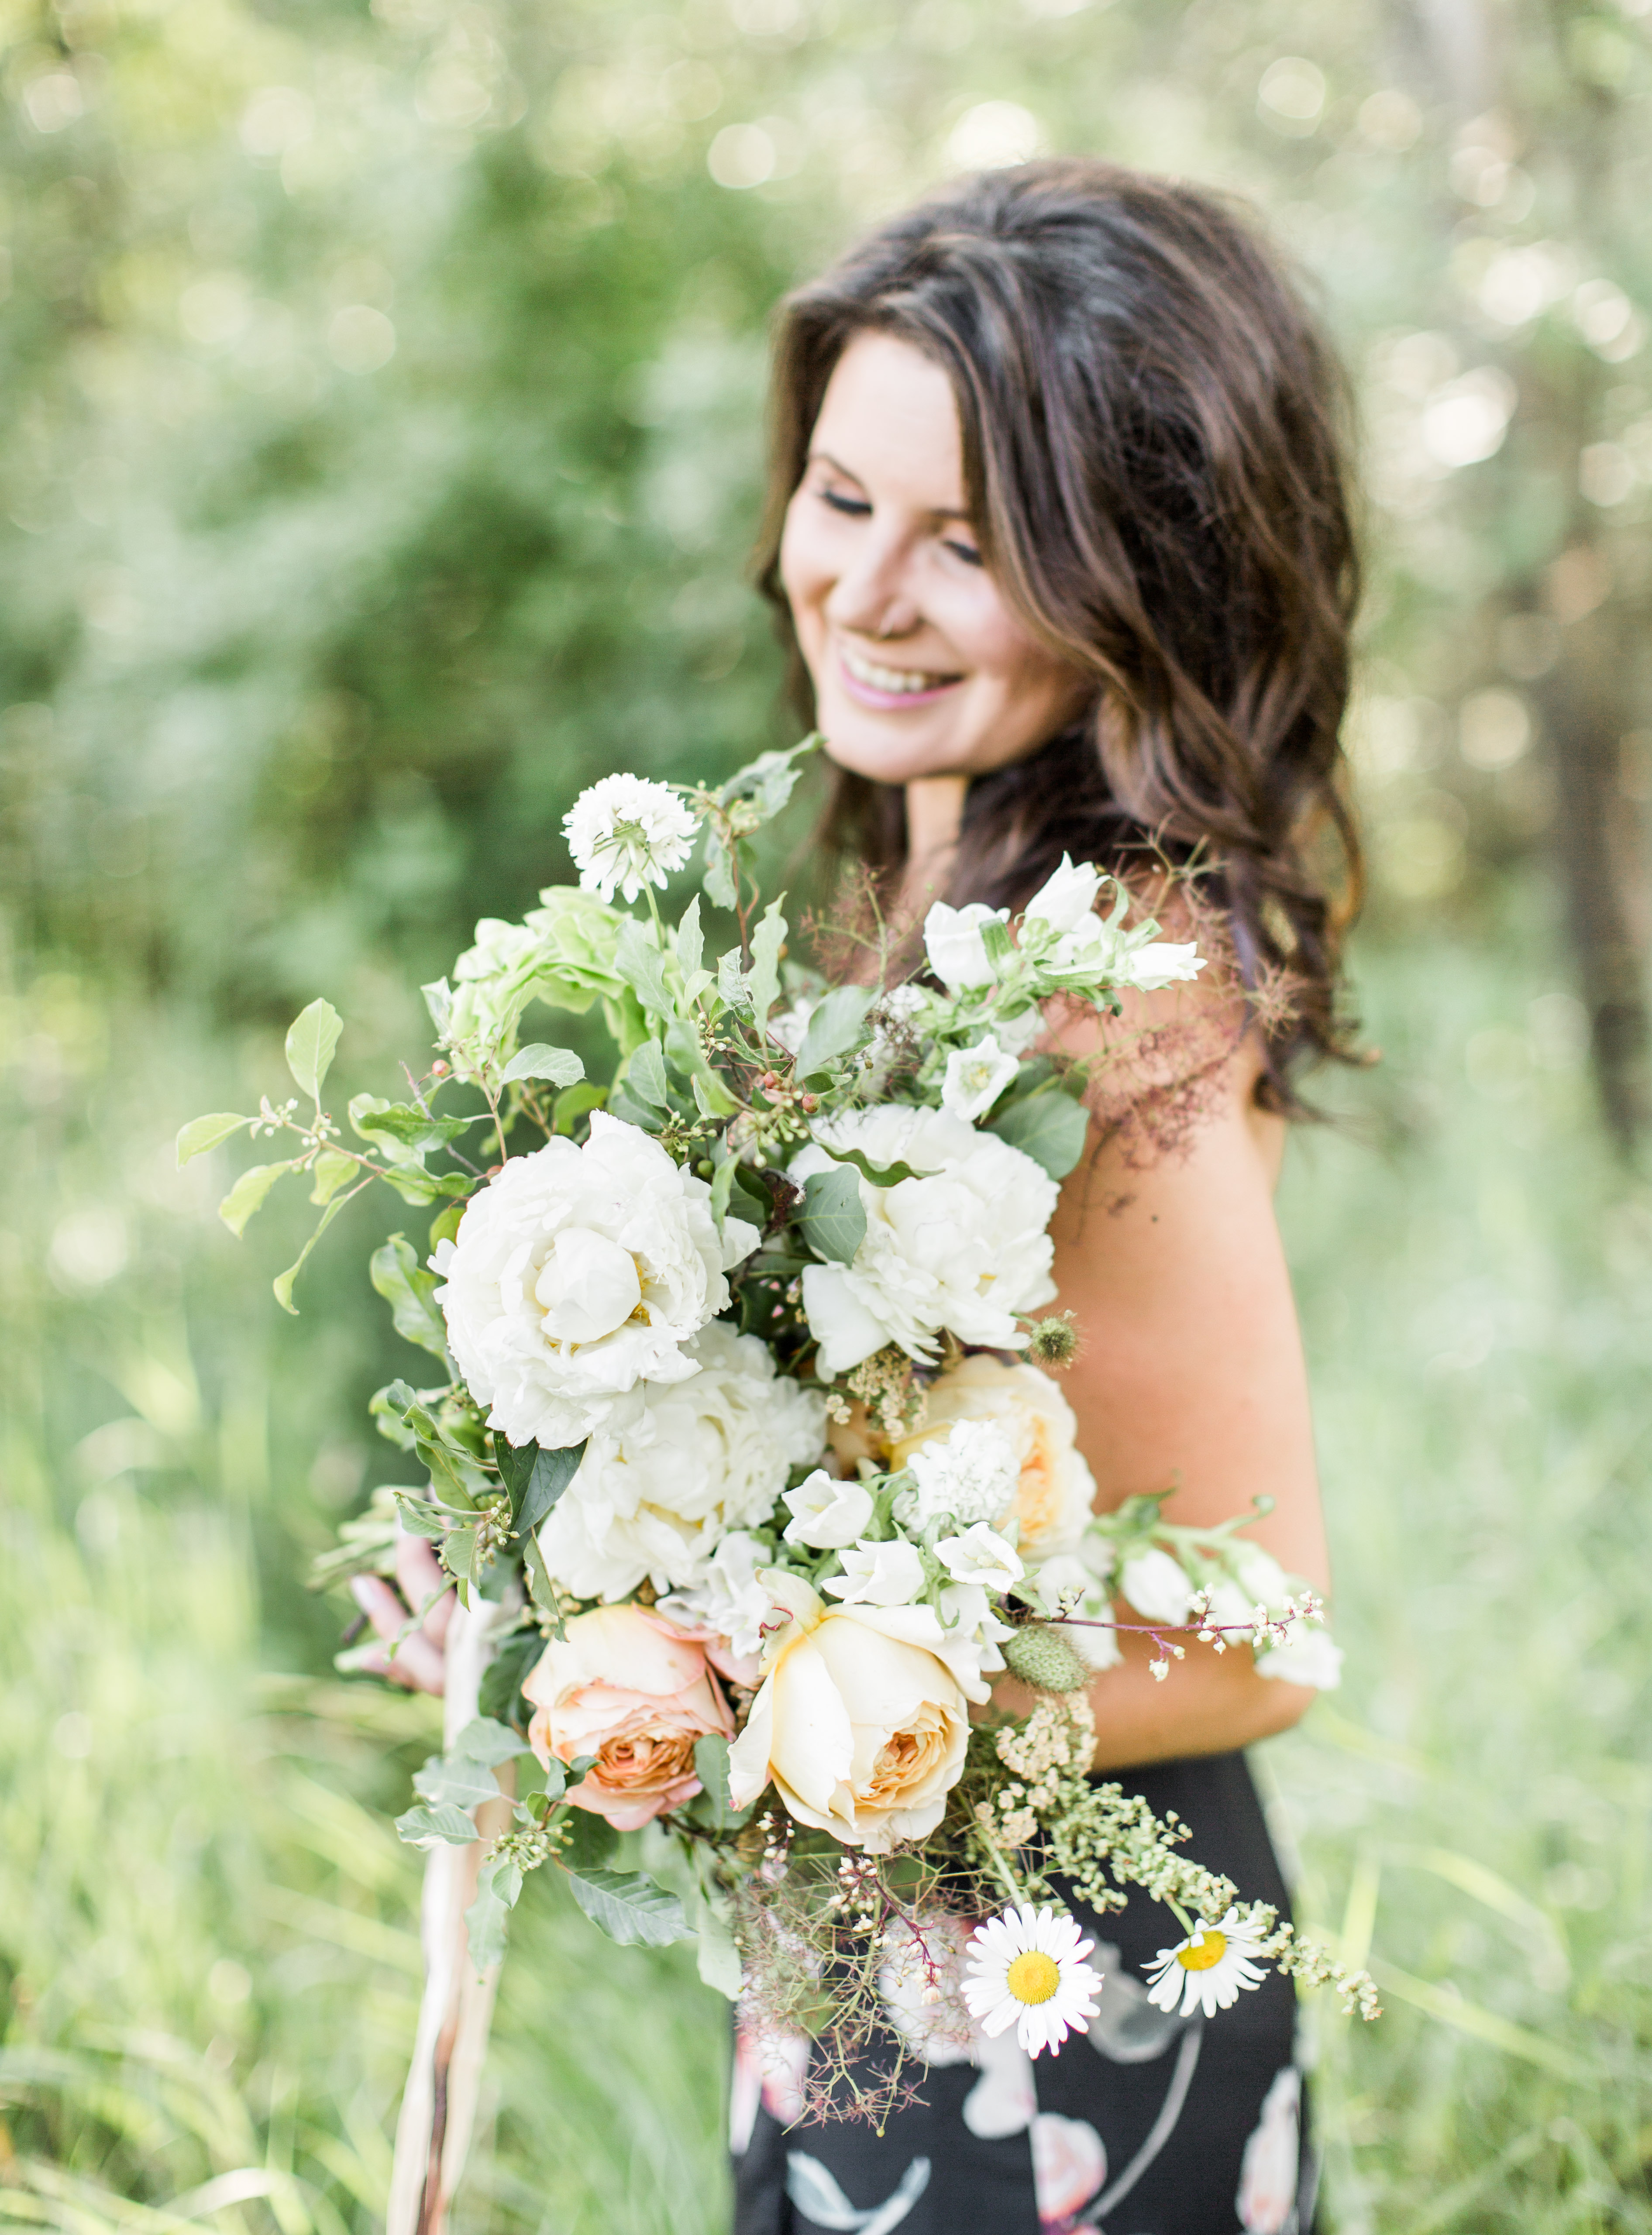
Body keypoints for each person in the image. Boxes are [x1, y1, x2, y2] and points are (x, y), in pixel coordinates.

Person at [356, 156, 1360, 2235]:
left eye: (972, 543)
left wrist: (722, 1683)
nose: (866, 590)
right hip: (868, 1974)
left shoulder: (1121, 984)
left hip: (1062, 2015)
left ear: (1137, 578)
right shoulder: (910, 891)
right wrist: (572, 1617)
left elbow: (1256, 1643)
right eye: (842, 498)